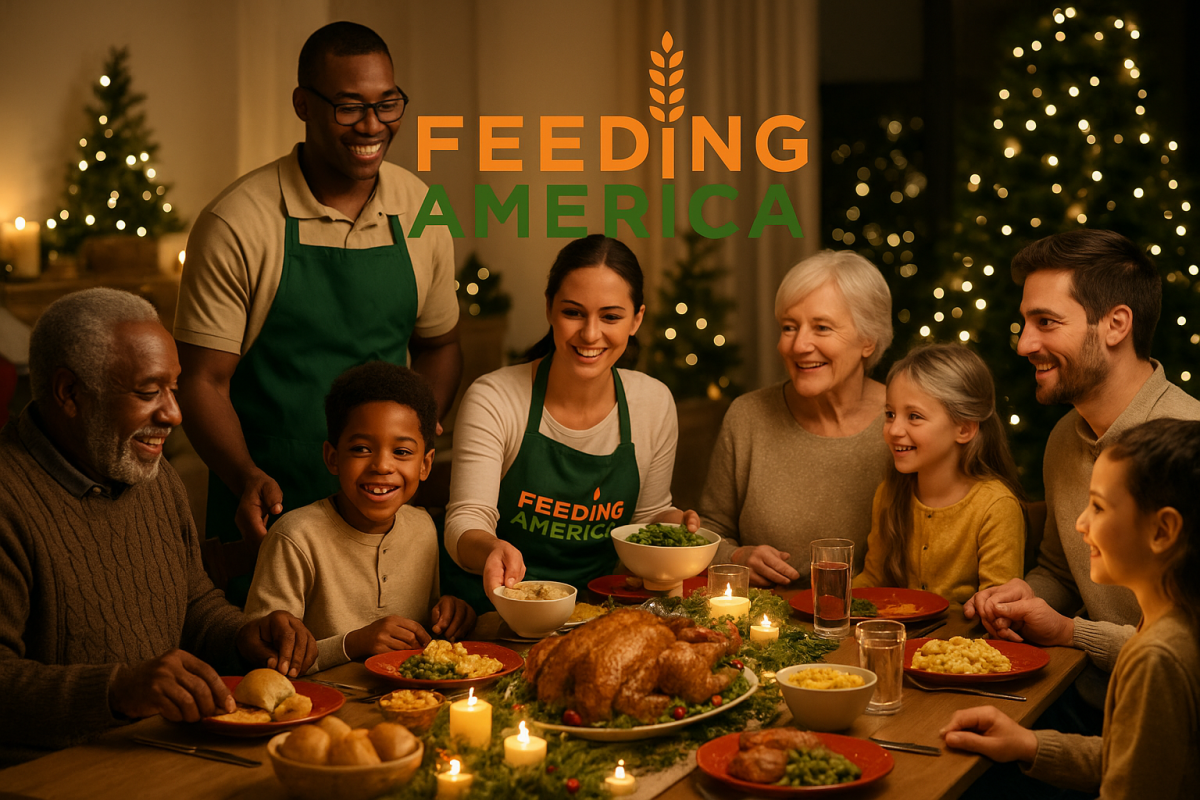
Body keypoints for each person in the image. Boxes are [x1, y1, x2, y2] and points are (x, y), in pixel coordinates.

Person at [173, 22, 461, 579]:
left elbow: (441, 344)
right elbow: (201, 380)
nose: (372, 125)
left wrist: (414, 437)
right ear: (303, 104)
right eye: (349, 106)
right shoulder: (237, 221)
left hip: (384, 517)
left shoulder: (421, 206)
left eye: (388, 104)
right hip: (270, 504)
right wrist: (245, 476)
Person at [0, 289, 316, 766]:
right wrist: (117, 689)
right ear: (69, 393)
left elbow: (192, 601)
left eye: (174, 388)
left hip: (161, 750)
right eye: (149, 392)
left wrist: (242, 636)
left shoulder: (148, 471)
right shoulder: (9, 500)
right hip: (51, 775)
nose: (174, 414)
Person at [964, 230, 1200, 722]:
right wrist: (1024, 595)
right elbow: (1059, 571)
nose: (1025, 343)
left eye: (1046, 322)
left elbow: (1189, 653)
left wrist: (1072, 633)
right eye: (1025, 322)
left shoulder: (1189, 448)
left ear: (1116, 325)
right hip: (1074, 700)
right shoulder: (1064, 438)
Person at [941, 418, 1200, 798]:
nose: (1080, 523)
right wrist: (1027, 743)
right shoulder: (1174, 618)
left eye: (1097, 506)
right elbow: (1132, 759)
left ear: (1162, 531)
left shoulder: (1157, 657)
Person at [444, 235, 698, 609]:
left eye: (610, 316)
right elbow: (466, 520)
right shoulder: (494, 398)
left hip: (598, 611)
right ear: (549, 308)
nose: (591, 334)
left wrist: (675, 524)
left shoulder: (653, 402)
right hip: (495, 611)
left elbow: (645, 519)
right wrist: (491, 549)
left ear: (636, 319)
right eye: (573, 312)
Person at [244, 362, 475, 670]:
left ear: (426, 464)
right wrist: (354, 644)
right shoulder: (295, 537)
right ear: (333, 457)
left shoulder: (423, 528)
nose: (381, 465)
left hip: (408, 704)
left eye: (402, 452)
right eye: (362, 449)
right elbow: (264, 660)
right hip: (316, 708)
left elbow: (420, 640)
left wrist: (446, 615)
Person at [700, 250, 894, 587]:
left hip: (880, 626)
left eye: (821, 327)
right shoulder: (748, 417)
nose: (799, 344)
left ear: (868, 340)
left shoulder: (905, 423)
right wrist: (736, 556)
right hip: (769, 628)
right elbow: (707, 532)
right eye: (789, 327)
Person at [853, 343, 1025, 603]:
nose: (894, 429)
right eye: (890, 414)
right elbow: (873, 581)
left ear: (964, 429)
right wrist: (832, 599)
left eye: (914, 416)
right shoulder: (889, 494)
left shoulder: (995, 507)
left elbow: (998, 606)